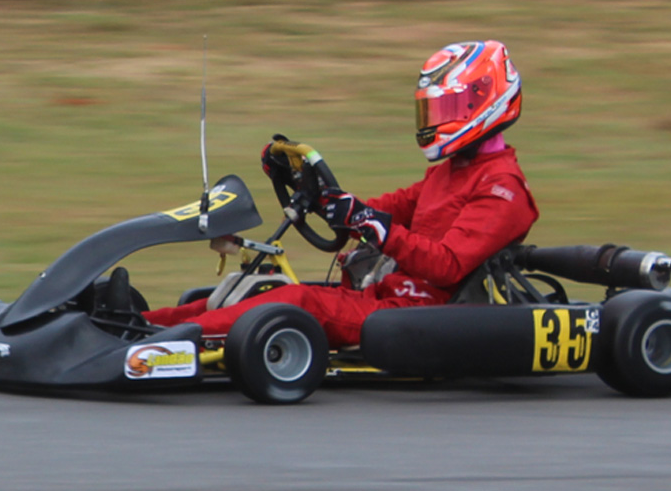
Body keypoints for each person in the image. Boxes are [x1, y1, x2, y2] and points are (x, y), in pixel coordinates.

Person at [143, 40, 539, 348]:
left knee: (297, 304)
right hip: (386, 295)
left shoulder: (502, 188)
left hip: (425, 315)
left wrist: (372, 225)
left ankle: (162, 345)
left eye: (450, 107)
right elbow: (389, 209)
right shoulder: (453, 172)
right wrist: (324, 199)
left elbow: (448, 265)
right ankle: (144, 324)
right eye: (435, 110)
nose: (438, 120)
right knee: (270, 288)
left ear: (486, 101)